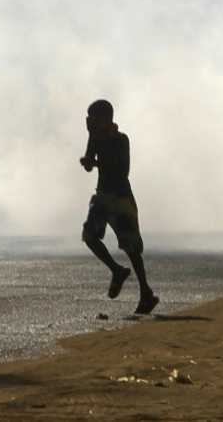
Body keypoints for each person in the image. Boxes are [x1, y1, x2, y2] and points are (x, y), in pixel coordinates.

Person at [79, 99, 158, 315]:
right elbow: (90, 162)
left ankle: (146, 294)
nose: (89, 122)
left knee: (131, 248)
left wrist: (96, 163)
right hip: (103, 195)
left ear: (105, 119)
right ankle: (117, 270)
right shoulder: (94, 137)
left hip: (121, 198)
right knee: (89, 236)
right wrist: (88, 161)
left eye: (93, 118)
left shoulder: (121, 140)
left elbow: (123, 170)